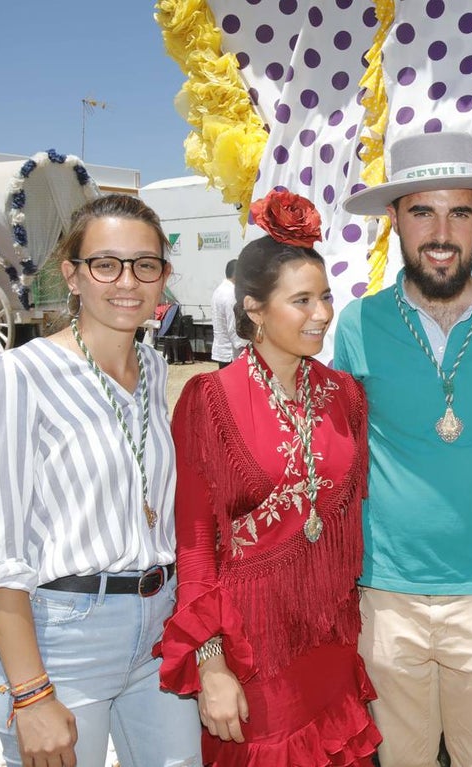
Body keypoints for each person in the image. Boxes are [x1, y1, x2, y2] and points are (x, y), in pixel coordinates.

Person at [0, 194, 201, 767]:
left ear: (163, 277)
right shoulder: (20, 377)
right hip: (65, 638)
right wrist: (30, 693)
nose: (128, 281)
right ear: (72, 274)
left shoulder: (150, 367)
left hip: (157, 630)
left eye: (146, 264)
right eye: (106, 264)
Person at [333, 130, 472, 767]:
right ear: (394, 219)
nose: (441, 232)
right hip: (387, 592)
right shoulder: (358, 322)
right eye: (422, 210)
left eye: (459, 211)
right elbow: (339, 455)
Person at [157, 189, 380, 766]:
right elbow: (196, 540)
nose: (323, 314)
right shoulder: (210, 399)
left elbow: (352, 513)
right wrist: (210, 662)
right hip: (250, 649)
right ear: (253, 308)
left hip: (329, 638)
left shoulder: (344, 395)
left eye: (325, 297)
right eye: (301, 300)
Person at [211, 258, 244, 368]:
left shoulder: (218, 291)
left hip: (222, 350)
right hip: (231, 353)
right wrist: (243, 347)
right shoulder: (231, 294)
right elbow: (233, 326)